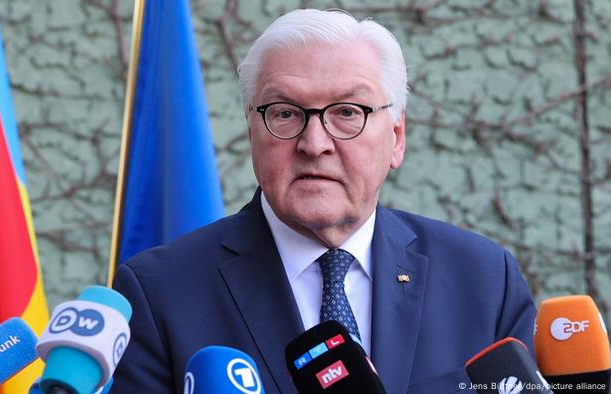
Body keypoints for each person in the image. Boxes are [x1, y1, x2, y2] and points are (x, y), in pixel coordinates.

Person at [111, 9, 536, 394]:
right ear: (251, 133)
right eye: (285, 113)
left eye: (348, 112)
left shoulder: (482, 280)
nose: (314, 144)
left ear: (397, 138)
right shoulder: (158, 292)